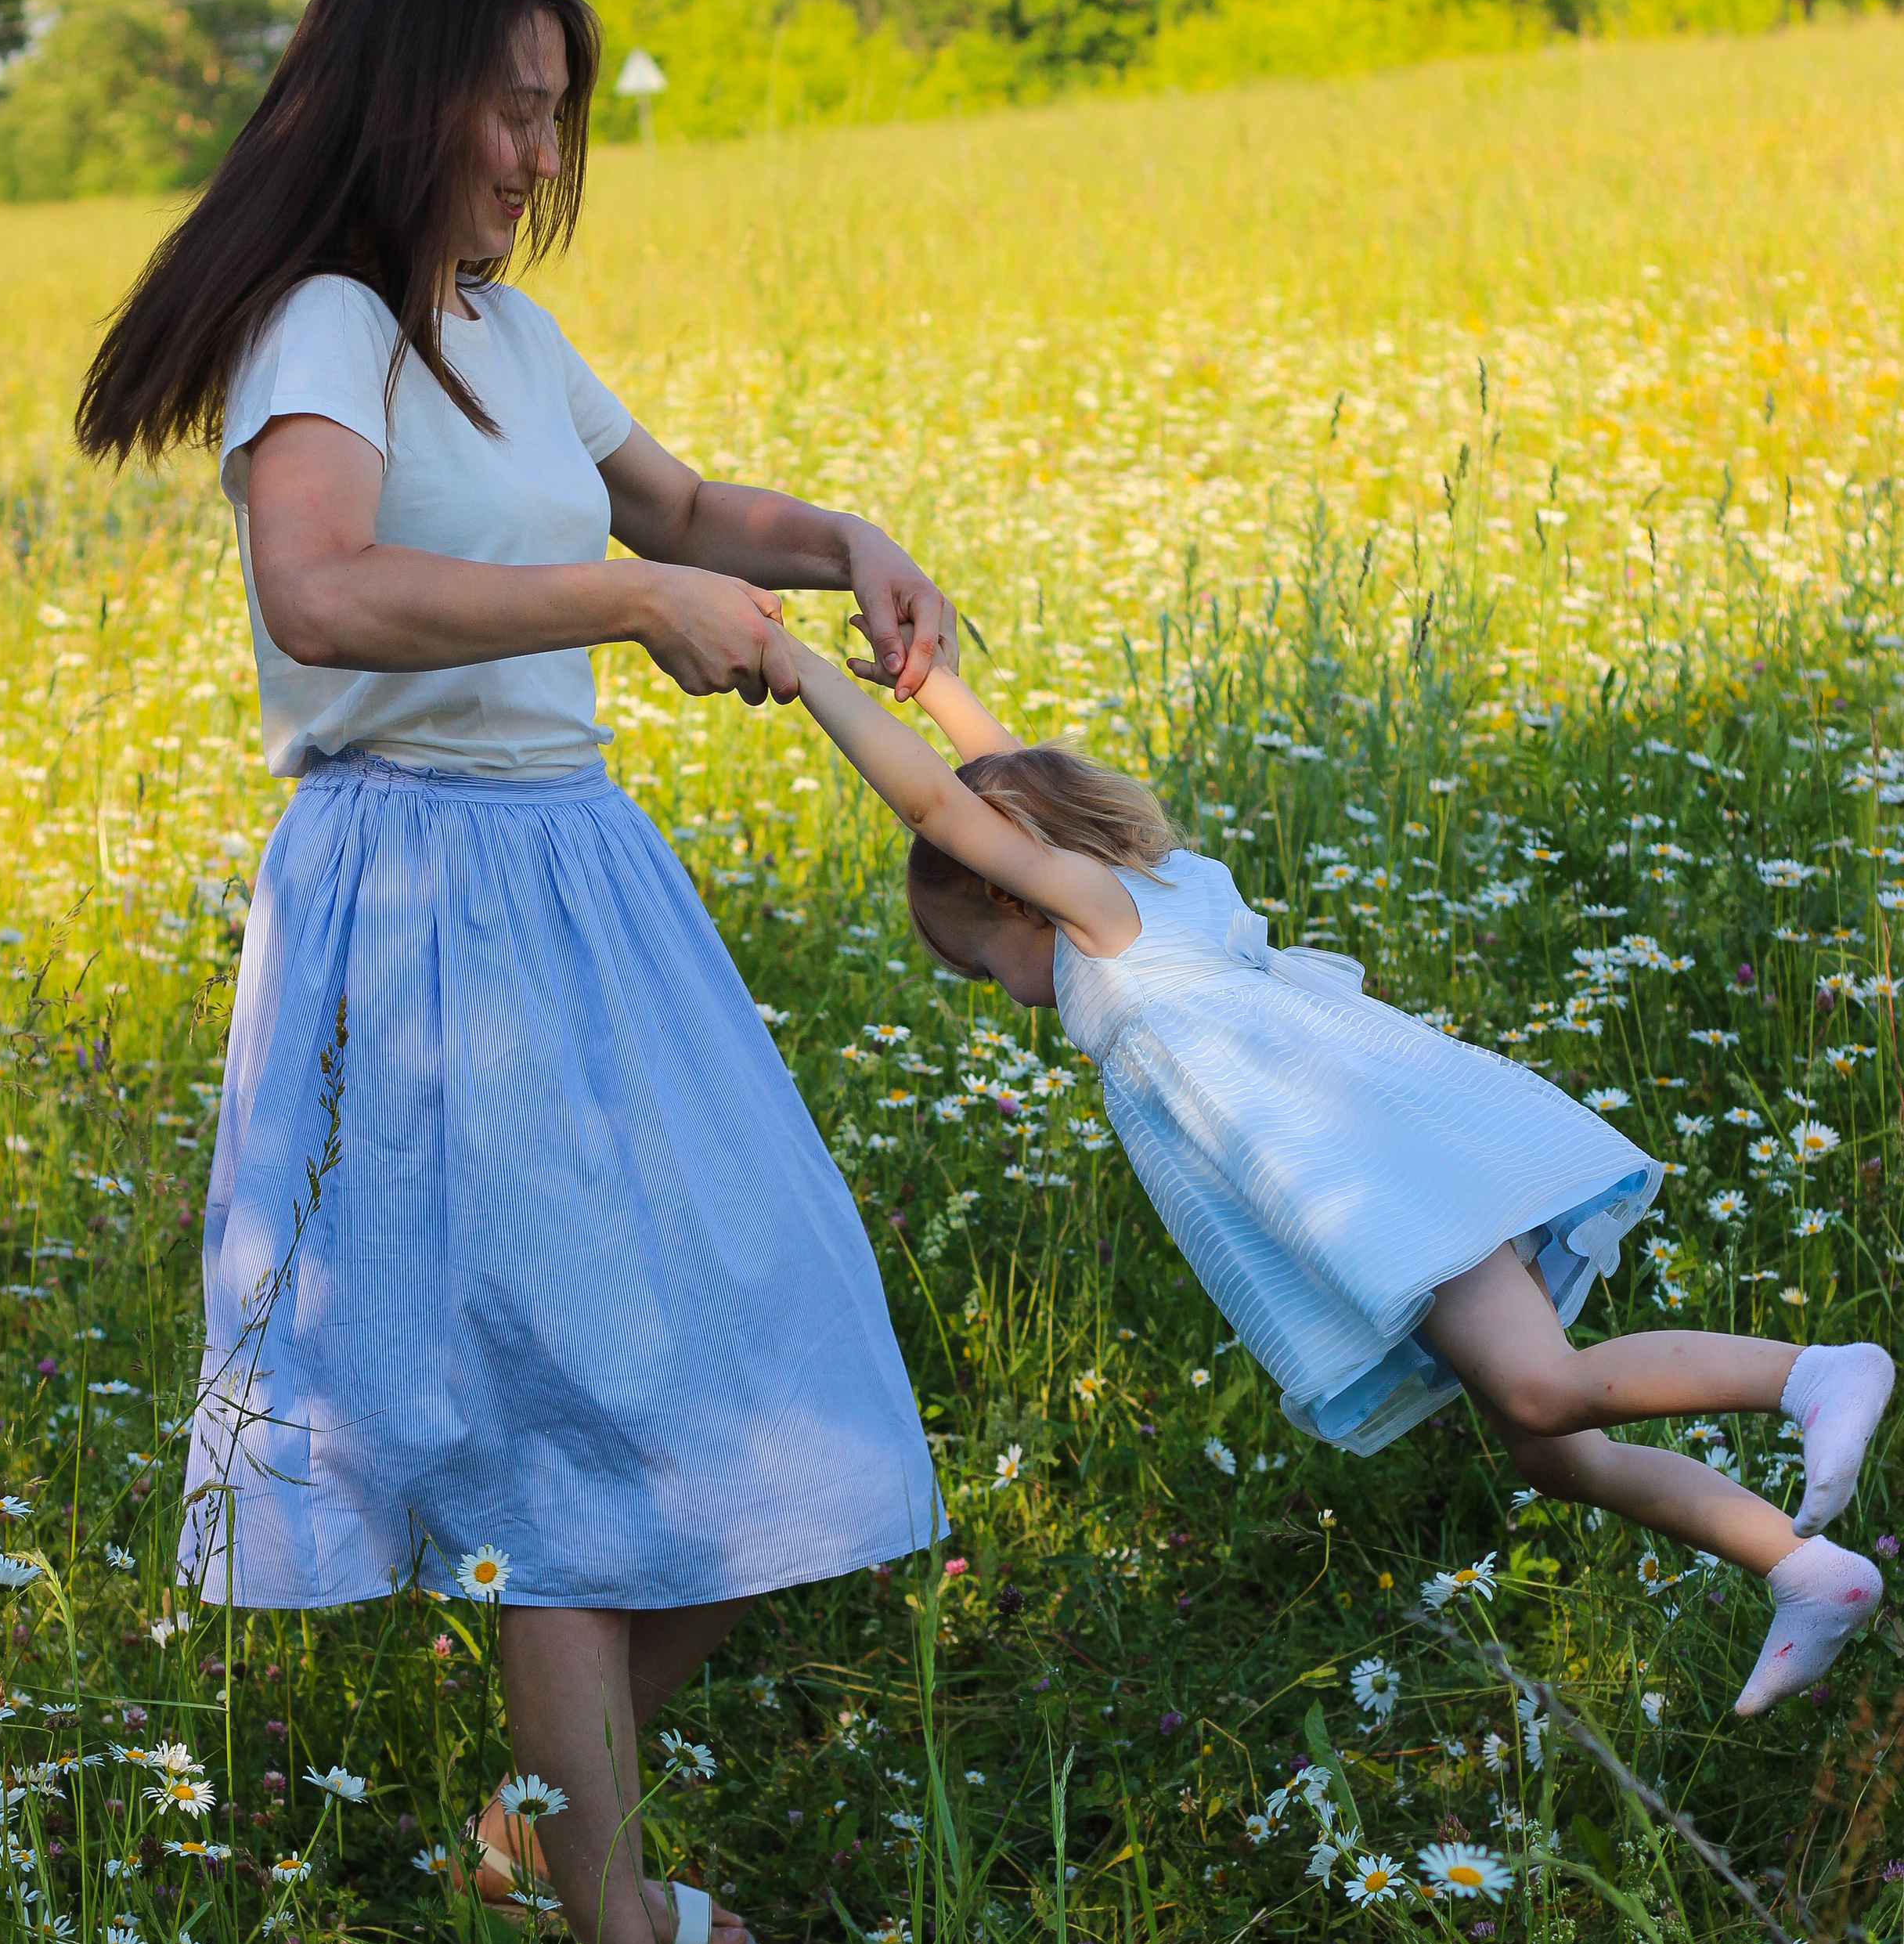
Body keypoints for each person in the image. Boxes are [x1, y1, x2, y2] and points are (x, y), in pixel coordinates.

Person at [74, 0, 954, 1944]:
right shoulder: (326, 328)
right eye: (515, 98)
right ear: (406, 96)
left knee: (781, 1343)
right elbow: (326, 588)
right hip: (426, 902)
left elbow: (672, 507)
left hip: (580, 885)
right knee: (566, 1433)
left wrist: (830, 535)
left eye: (561, 102)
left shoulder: (502, 327)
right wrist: (625, 602)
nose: (543, 142)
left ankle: (542, 1826)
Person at [780, 631, 1891, 1716]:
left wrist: (812, 676)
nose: (1007, 989)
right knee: (1551, 1450)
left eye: (980, 963)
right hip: (1385, 1165)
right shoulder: (1152, 886)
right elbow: (997, 790)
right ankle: (1806, 1570)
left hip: (1382, 1182)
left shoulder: (1104, 921)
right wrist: (945, 690)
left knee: (1543, 1389)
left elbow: (946, 809)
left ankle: (1815, 1372)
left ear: (1015, 894)